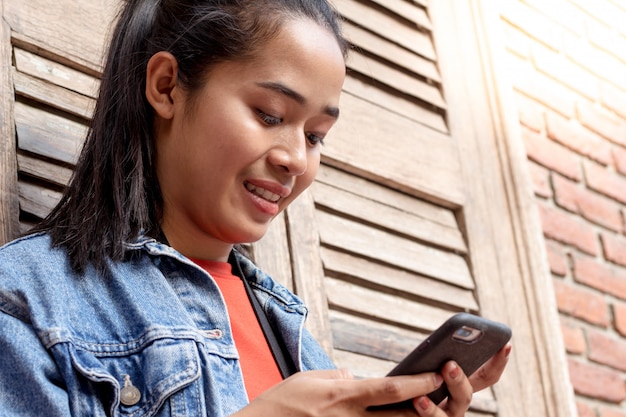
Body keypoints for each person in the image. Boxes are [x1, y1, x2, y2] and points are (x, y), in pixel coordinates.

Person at [0, 0, 512, 416]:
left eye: (315, 136)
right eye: (269, 115)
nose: (295, 159)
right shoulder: (28, 300)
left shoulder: (289, 333)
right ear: (166, 86)